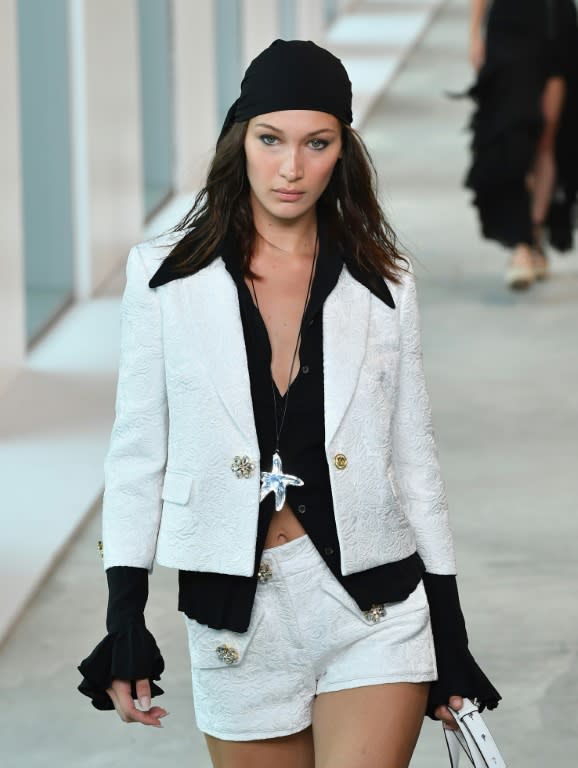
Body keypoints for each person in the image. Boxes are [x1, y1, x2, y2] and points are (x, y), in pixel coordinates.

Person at [78, 40, 500, 768]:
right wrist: (125, 617)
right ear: (241, 139)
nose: (291, 167)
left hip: (374, 608)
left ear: (344, 150)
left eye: (317, 143)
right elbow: (137, 457)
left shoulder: (383, 282)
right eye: (271, 140)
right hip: (236, 621)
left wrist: (451, 638)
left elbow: (415, 464)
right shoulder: (164, 279)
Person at [466, 0, 578, 290]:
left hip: (558, 23)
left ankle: (533, 232)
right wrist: (474, 33)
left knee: (549, 133)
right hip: (510, 25)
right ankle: (521, 243)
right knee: (513, 132)